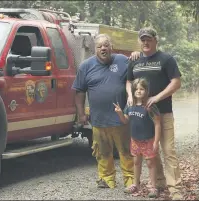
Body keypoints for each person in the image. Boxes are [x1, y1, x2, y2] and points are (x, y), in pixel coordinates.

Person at [72, 34, 140, 189]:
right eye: (99, 46)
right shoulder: (86, 66)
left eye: (106, 45)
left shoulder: (123, 60)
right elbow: (79, 92)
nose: (103, 48)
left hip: (121, 118)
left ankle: (130, 179)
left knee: (126, 150)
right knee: (102, 151)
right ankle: (106, 178)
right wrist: (81, 114)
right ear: (95, 49)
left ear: (111, 46)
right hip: (98, 119)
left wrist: (136, 55)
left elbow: (137, 75)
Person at [126, 27, 183, 200]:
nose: (145, 42)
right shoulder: (134, 60)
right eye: (142, 39)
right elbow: (128, 81)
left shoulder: (166, 59)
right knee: (152, 150)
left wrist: (157, 97)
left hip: (162, 113)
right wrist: (129, 95)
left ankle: (175, 188)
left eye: (148, 39)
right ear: (139, 41)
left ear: (155, 40)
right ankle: (158, 183)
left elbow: (176, 82)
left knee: (168, 150)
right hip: (140, 117)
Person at [114, 78, 161, 198]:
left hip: (148, 140)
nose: (139, 91)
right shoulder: (130, 105)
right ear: (132, 91)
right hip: (135, 140)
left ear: (146, 90)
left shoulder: (150, 106)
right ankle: (136, 184)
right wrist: (119, 113)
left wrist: (156, 141)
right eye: (136, 89)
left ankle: (153, 187)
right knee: (136, 162)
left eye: (142, 89)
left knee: (150, 163)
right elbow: (125, 121)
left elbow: (157, 123)